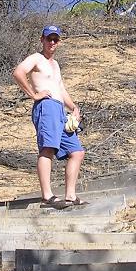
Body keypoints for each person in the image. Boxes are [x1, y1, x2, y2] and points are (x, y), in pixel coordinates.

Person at [12, 25, 87, 208]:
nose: (52, 42)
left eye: (55, 39)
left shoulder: (56, 65)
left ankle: (70, 196)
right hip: (46, 107)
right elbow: (18, 72)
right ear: (42, 40)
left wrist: (74, 107)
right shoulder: (36, 58)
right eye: (49, 38)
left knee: (77, 152)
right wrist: (33, 95)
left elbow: (60, 89)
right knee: (48, 149)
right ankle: (47, 196)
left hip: (60, 109)